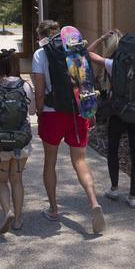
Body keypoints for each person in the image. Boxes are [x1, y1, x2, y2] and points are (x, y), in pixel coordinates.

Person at [30, 20, 105, 234]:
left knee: (50, 161)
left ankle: (54, 209)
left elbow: (40, 89)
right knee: (80, 160)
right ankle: (93, 203)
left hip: (53, 114)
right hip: (77, 111)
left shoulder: (40, 54)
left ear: (41, 35)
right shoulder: (75, 48)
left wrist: (40, 110)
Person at [0, 50, 35, 235]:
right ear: (16, 65)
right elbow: (33, 112)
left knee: (0, 181)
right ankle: (18, 220)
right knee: (17, 180)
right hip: (21, 141)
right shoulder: (25, 86)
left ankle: (7, 211)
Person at [89, 30, 135, 208]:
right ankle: (133, 196)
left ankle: (114, 188)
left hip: (118, 112)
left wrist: (100, 39)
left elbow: (85, 53)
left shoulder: (112, 64)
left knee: (113, 149)